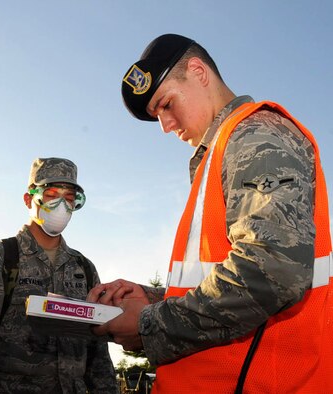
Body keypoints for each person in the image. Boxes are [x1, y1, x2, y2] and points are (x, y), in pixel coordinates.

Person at [88, 34, 333, 393]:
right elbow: (229, 273)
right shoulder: (224, 149)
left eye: (167, 104)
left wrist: (147, 324)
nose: (167, 126)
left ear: (198, 71)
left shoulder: (255, 137)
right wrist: (152, 297)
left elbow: (273, 271)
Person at [0, 157, 119, 393]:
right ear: (29, 199)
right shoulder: (1, 258)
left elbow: (98, 355)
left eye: (70, 198)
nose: (62, 206)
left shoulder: (84, 269)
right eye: (51, 195)